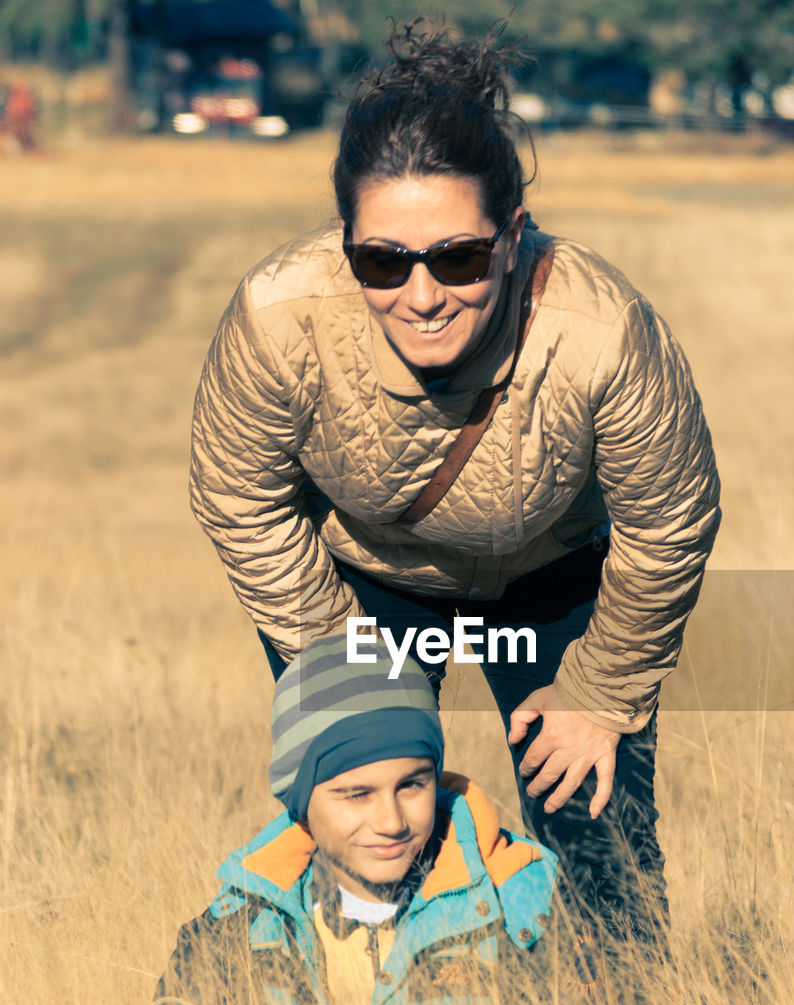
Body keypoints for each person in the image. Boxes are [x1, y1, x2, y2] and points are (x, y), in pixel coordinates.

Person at [189, 22, 720, 949]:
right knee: (371, 832)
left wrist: (600, 691)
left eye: (458, 257)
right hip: (363, 589)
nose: (422, 294)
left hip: (552, 585)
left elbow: (669, 520)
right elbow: (240, 495)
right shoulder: (278, 317)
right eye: (383, 261)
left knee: (597, 837)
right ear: (345, 241)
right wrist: (338, 661)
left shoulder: (603, 332)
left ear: (510, 238)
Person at [146, 637, 601, 1005]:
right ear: (300, 801)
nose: (391, 821)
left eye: (412, 785)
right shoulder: (241, 921)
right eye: (356, 794)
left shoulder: (521, 897)